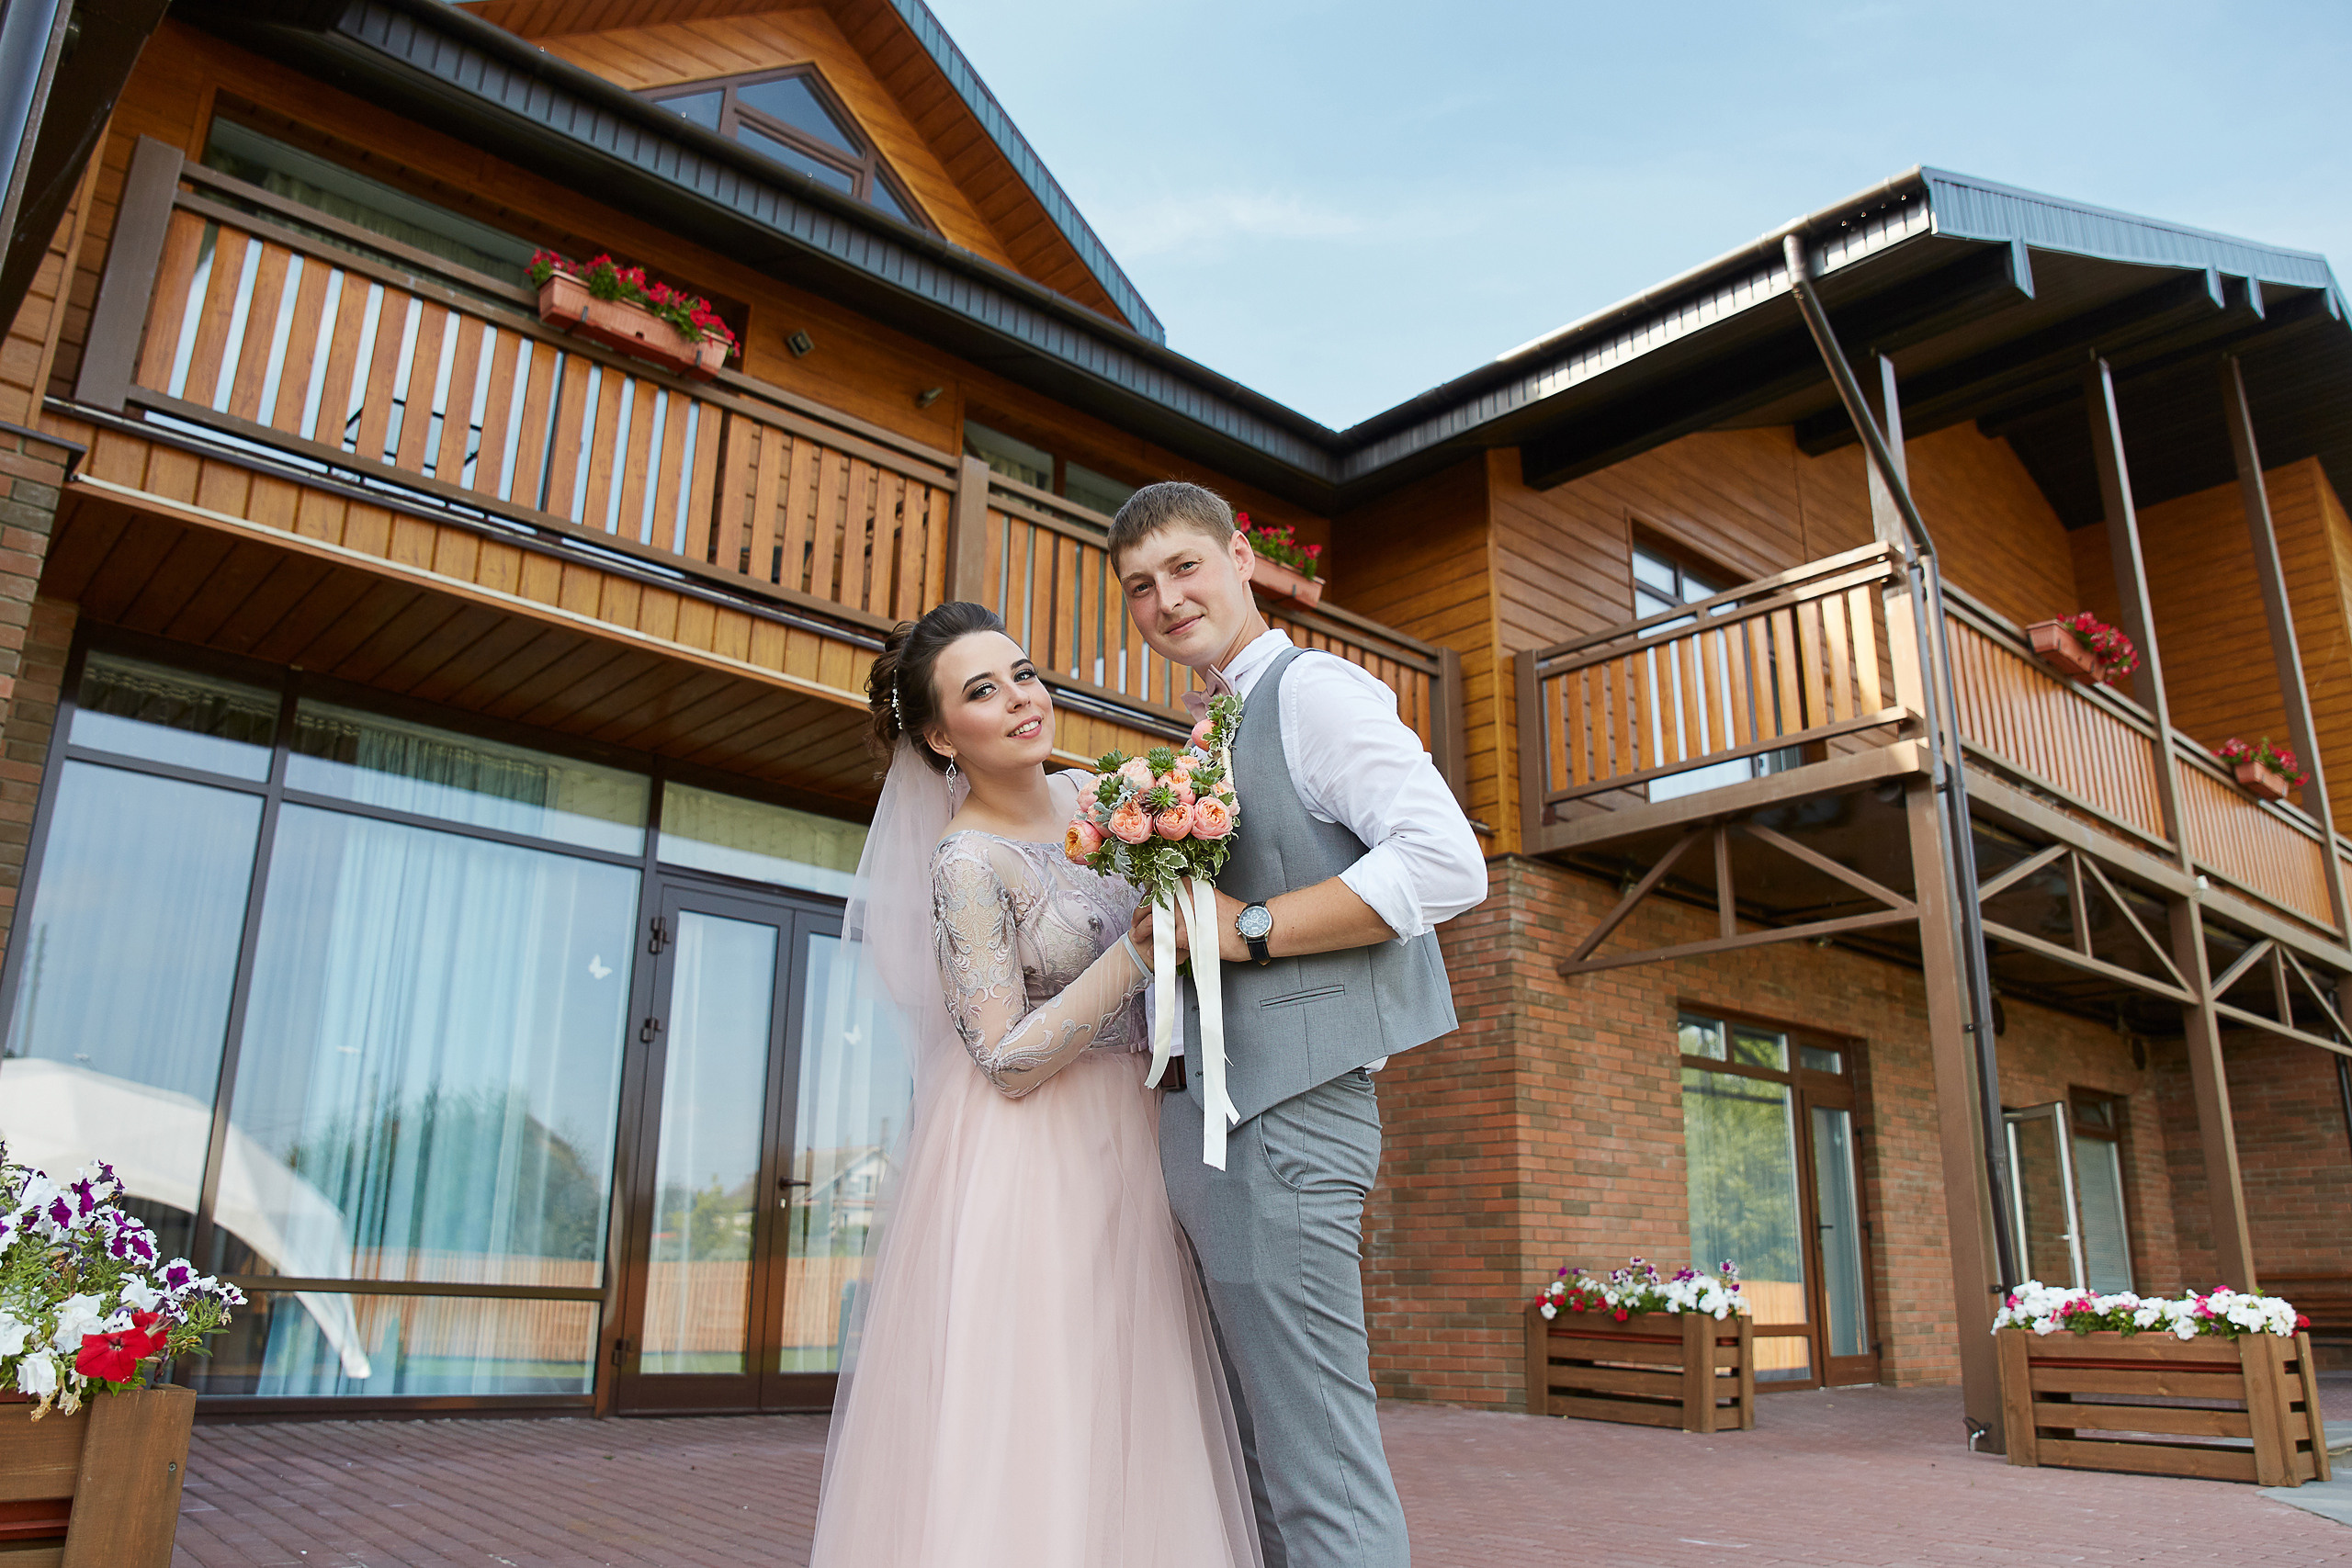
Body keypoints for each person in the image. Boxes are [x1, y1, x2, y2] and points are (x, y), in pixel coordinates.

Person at [808, 600, 1262, 1568]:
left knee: (1133, 1396)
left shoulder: (1099, 799)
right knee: (1043, 1401)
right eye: (982, 691)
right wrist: (1136, 956)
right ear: (938, 736)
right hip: (1030, 1157)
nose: (1021, 699)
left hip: (1134, 1135)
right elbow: (1002, 1056)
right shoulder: (964, 862)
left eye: (1020, 672)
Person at [1111, 483, 1487, 1568]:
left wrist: (1255, 927)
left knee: (1317, 1469)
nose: (1166, 599)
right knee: (1264, 1464)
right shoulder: (1213, 721)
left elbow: (1446, 863)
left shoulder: (1312, 691)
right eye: (1141, 587)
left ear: (1241, 558)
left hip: (1284, 1119)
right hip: (1217, 1124)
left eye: (1185, 568)